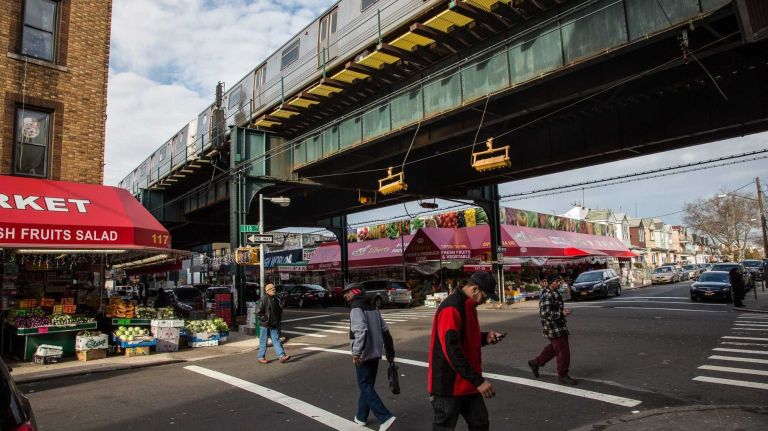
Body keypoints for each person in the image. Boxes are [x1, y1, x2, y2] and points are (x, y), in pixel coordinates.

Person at [428, 272, 505, 431]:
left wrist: (485, 338)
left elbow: (465, 338)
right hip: (449, 385)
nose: (485, 300)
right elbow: (452, 351)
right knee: (444, 427)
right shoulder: (451, 308)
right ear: (475, 289)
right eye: (485, 296)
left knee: (480, 424)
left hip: (468, 382)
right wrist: (479, 382)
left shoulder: (469, 306)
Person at [344, 283, 397, 431]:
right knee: (367, 385)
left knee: (365, 385)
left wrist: (356, 353)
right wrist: (390, 353)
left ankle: (385, 416)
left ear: (354, 292)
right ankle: (361, 417)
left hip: (364, 354)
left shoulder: (356, 307)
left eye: (347, 292)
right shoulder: (373, 306)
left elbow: (360, 331)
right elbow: (385, 331)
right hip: (375, 352)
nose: (345, 295)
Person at [528, 274, 578, 385]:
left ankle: (535, 363)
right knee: (563, 351)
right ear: (551, 282)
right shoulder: (547, 294)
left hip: (559, 324)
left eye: (560, 281)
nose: (560, 283)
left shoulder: (554, 292)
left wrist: (561, 313)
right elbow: (545, 313)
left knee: (555, 348)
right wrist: (561, 313)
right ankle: (563, 375)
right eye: (557, 281)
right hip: (553, 326)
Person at [256, 283, 290, 364]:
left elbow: (279, 311)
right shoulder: (264, 299)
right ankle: (261, 357)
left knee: (276, 340)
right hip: (265, 325)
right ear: (267, 291)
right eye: (272, 289)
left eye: (274, 289)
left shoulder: (276, 299)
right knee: (263, 341)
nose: (274, 290)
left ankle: (281, 356)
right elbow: (258, 313)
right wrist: (266, 319)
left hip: (273, 325)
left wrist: (282, 303)